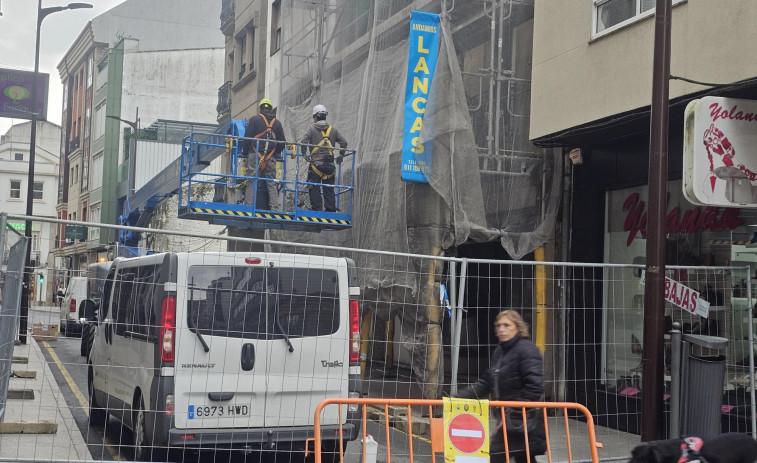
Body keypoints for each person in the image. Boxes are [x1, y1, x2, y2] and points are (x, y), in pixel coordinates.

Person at [455, 310, 546, 463]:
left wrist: (515, 410)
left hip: (522, 421)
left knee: (496, 455)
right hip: (511, 421)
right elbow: (486, 382)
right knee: (524, 458)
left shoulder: (527, 350)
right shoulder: (500, 351)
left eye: (506, 325)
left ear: (518, 328)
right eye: (498, 326)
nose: (501, 329)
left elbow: (535, 386)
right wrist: (458, 397)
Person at [299, 104, 348, 212]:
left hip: (316, 164)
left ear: (315, 117)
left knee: (313, 187)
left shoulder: (311, 128)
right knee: (329, 188)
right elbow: (344, 142)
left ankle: (316, 209)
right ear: (325, 116)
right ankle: (330, 209)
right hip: (330, 165)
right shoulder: (333, 130)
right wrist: (341, 155)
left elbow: (303, 142)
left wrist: (304, 154)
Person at [241, 98, 286, 210]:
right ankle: (274, 208)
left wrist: (245, 153)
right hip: (270, 158)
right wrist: (275, 152)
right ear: (270, 109)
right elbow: (282, 143)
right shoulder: (277, 123)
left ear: (260, 108)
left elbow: (247, 139)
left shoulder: (254, 120)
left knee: (251, 180)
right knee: (271, 182)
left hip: (254, 156)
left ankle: (248, 206)